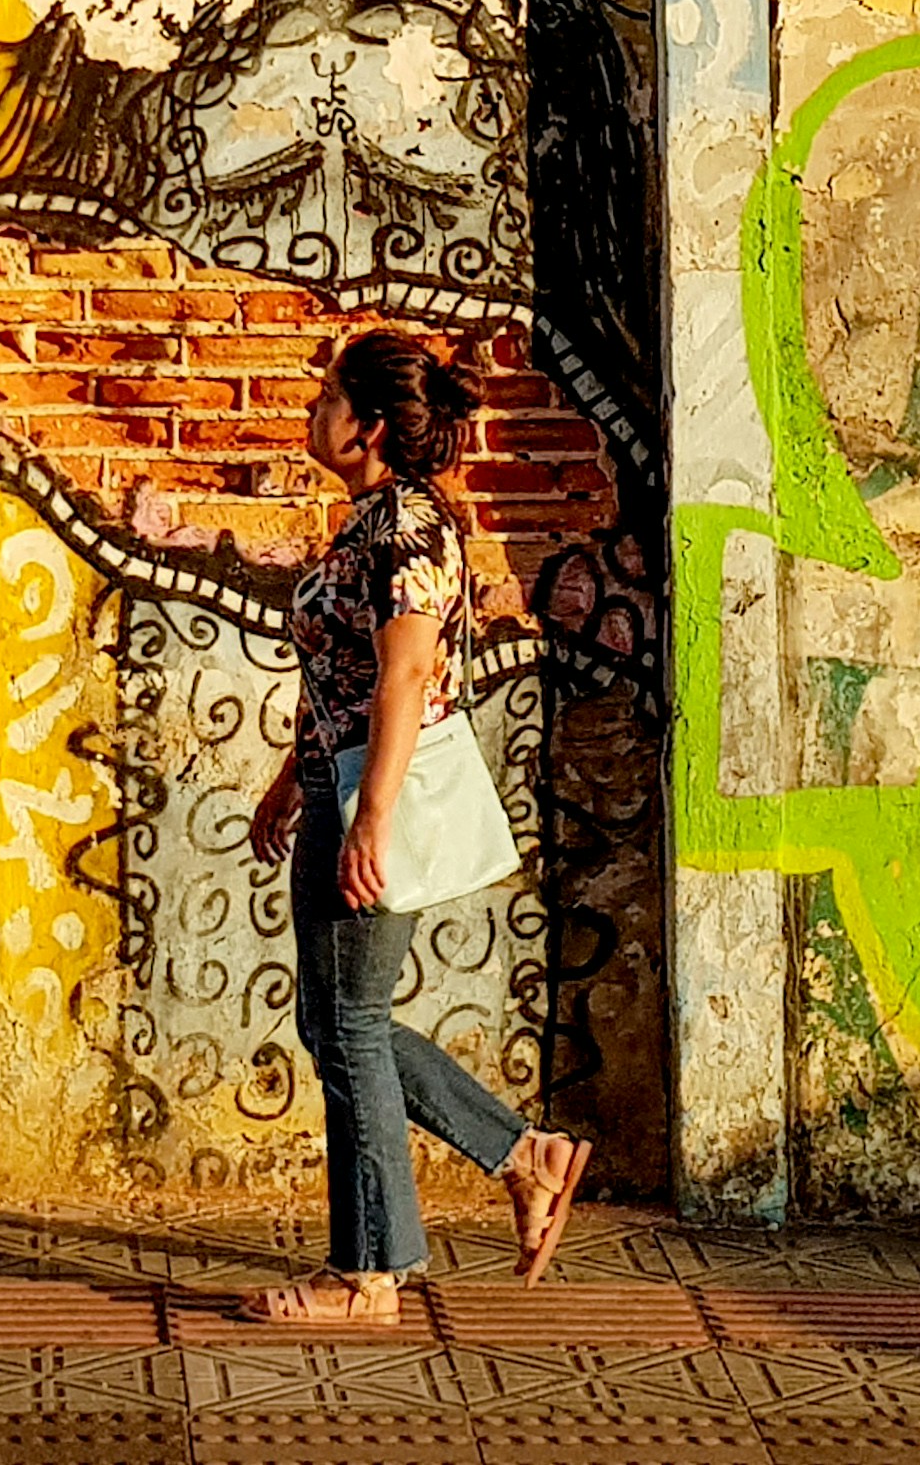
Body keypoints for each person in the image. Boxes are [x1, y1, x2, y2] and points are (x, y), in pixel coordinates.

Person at [241, 329, 592, 1325]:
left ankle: (368, 1274)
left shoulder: (405, 527)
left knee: (348, 1023)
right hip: (337, 782)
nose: (311, 411)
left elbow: (405, 676)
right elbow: (346, 672)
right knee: (334, 1021)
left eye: (326, 398)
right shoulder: (370, 522)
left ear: (369, 427)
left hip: (369, 793)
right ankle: (522, 1156)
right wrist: (293, 779)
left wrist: (371, 819)